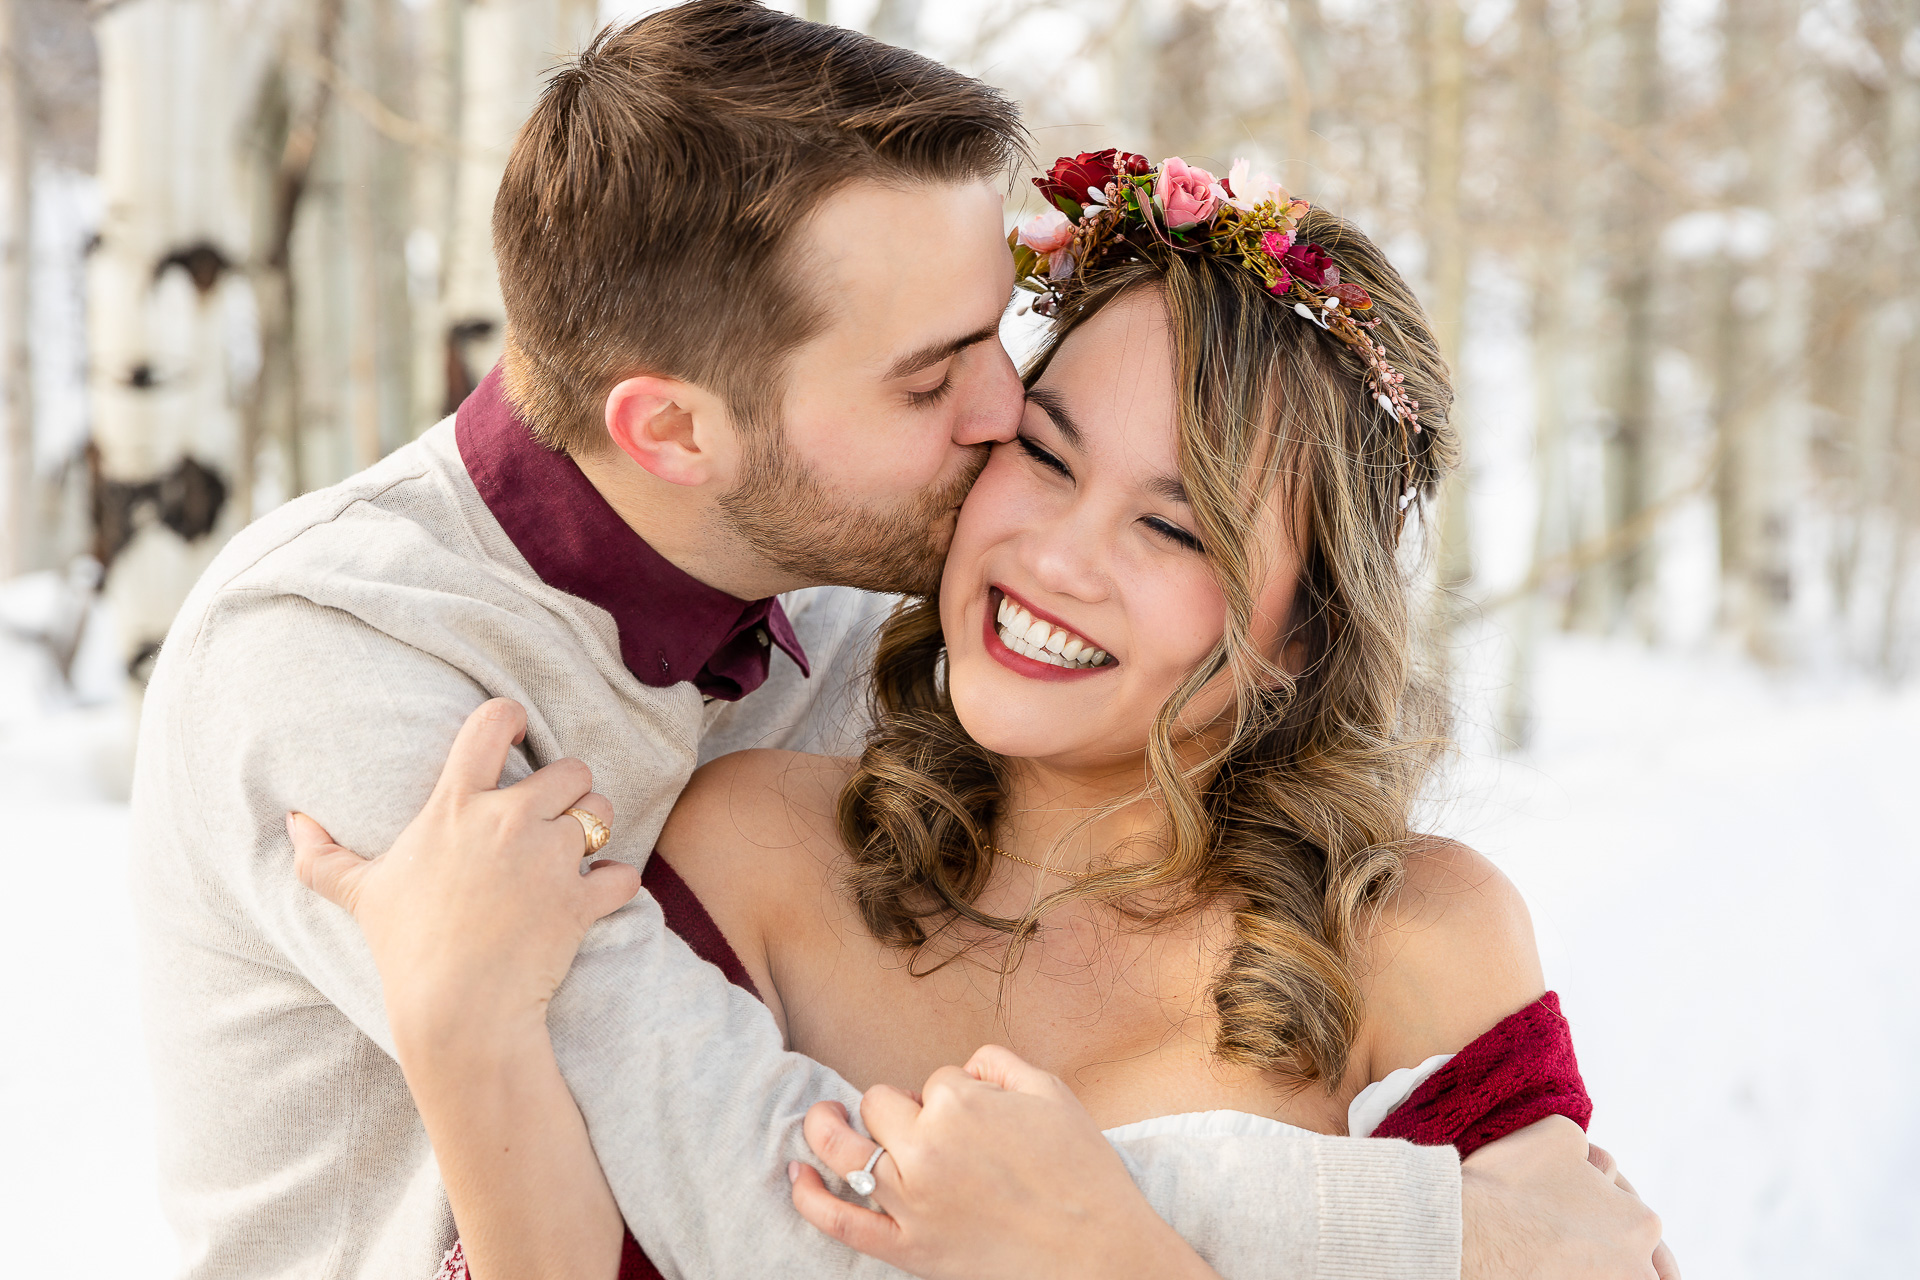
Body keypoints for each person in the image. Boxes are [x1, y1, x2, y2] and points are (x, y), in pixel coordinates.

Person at [131, 3, 1664, 1278]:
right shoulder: (349, 673)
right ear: (674, 431)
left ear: (1303, 629)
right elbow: (747, 1216)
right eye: (943, 386)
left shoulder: (856, 623)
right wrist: (1406, 1237)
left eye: (1178, 524)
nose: (1004, 446)